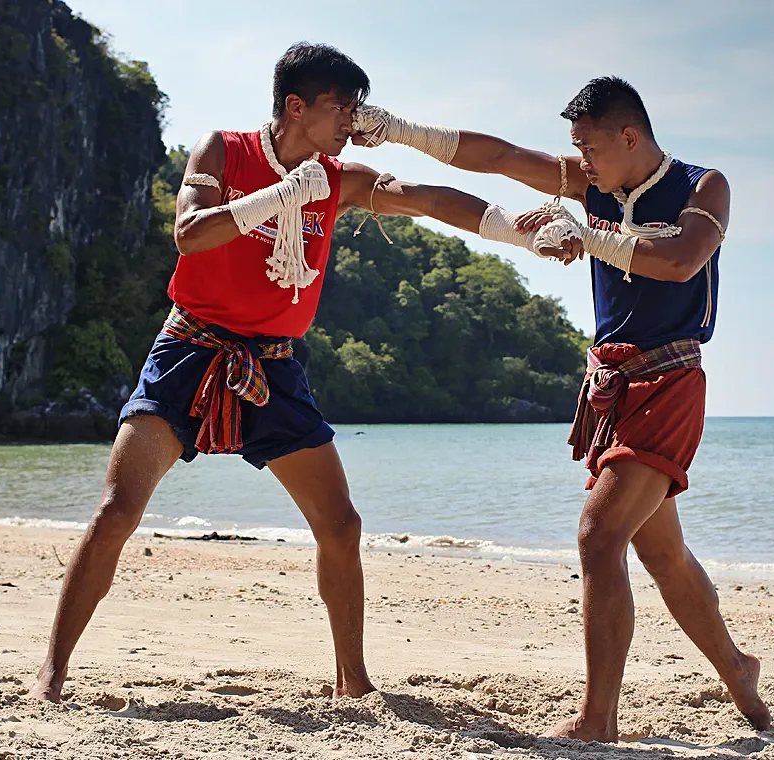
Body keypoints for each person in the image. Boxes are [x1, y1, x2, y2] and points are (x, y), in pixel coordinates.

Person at [29, 42, 572, 704]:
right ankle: (50, 673)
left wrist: (522, 232)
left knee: (341, 527)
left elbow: (428, 199)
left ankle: (354, 683)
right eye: (342, 107)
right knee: (117, 511)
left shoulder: (339, 179)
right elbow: (190, 233)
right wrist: (283, 194)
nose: (353, 121)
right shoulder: (222, 151)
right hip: (189, 347)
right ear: (296, 105)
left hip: (274, 365)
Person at [351, 76, 773, 741]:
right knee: (661, 554)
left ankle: (597, 721)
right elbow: (496, 157)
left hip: (669, 382)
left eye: (588, 147)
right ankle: (735, 664)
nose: (580, 161)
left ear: (629, 136)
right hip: (610, 385)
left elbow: (684, 262)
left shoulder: (702, 185)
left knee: (599, 535)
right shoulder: (590, 182)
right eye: (574, 149)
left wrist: (588, 235)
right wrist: (400, 130)